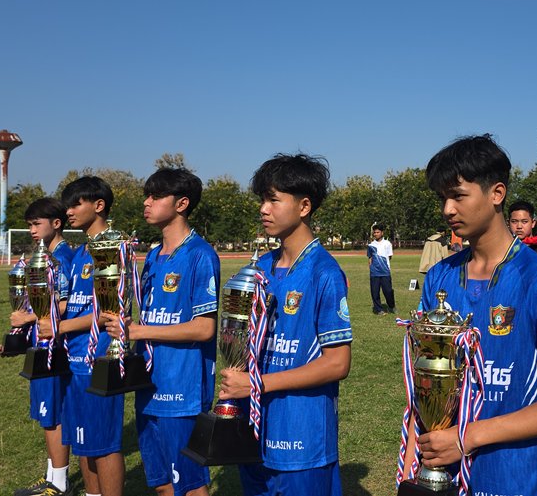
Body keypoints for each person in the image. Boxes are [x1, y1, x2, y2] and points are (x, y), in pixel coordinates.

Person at [400, 135, 537, 495]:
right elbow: (422, 386)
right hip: (441, 475)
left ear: (496, 193)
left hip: (512, 477)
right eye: (442, 198)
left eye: (458, 196)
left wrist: (468, 437)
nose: (447, 209)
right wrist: (410, 472)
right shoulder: (439, 278)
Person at [218, 153, 352, 496]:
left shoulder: (324, 273)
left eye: (273, 200)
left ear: (304, 206)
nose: (263, 209)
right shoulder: (260, 267)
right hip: (254, 430)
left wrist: (257, 384)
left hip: (301, 439)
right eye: (262, 200)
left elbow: (338, 363)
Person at [104, 168, 218, 496]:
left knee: (190, 484)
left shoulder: (200, 255)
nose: (146, 202)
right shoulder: (153, 256)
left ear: (181, 204)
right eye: (147, 195)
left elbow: (205, 328)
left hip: (181, 389)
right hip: (149, 384)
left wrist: (139, 331)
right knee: (162, 482)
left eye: (156, 196)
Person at [50, 176, 125, 496]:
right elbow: (74, 304)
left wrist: (61, 328)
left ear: (99, 205)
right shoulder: (80, 252)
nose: (68, 211)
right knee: (83, 440)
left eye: (75, 204)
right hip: (74, 357)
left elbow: (108, 312)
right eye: (67, 205)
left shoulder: (112, 247)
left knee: (104, 445)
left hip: (100, 358)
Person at [8, 198, 74, 496]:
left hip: (56, 347)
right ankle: (52, 476)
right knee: (47, 413)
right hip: (41, 342)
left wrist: (28, 317)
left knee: (53, 415)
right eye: (29, 225)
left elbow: (64, 304)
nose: (32, 230)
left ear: (56, 223)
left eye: (37, 224)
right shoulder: (44, 256)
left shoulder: (63, 258)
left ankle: (58, 484)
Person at [367, 223, 396, 315]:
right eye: (374, 232)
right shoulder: (371, 245)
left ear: (382, 233)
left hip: (385, 272)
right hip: (374, 272)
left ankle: (391, 306)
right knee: (375, 292)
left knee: (388, 291)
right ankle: (379, 309)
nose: (376, 234)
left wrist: (383, 265)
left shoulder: (387, 244)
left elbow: (389, 257)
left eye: (378, 232)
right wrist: (371, 268)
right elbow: (370, 258)